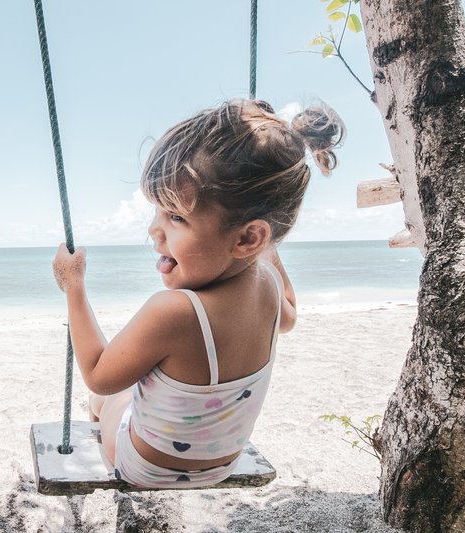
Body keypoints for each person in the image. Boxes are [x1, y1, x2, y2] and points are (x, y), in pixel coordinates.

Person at [52, 99, 344, 489]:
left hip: (147, 468)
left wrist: (74, 287)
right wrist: (265, 248)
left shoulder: (174, 311)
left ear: (246, 237)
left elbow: (99, 375)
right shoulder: (271, 289)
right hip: (223, 464)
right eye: (157, 211)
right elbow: (289, 317)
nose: (155, 231)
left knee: (105, 401)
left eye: (176, 217)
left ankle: (117, 471)